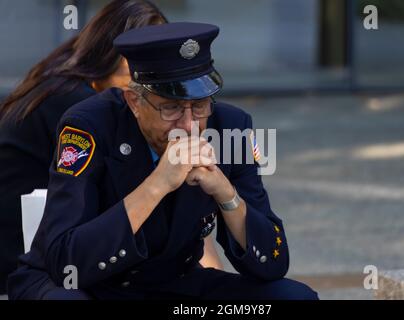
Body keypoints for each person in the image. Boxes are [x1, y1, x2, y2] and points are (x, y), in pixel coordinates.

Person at [8, 22, 318, 300]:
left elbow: (272, 263)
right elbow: (68, 264)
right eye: (170, 108)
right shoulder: (87, 125)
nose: (188, 125)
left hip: (171, 285)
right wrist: (157, 184)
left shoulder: (229, 127)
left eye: (198, 106)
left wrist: (225, 194)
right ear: (134, 101)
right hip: (86, 286)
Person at [0, 0, 220, 296]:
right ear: (105, 57)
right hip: (23, 256)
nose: (156, 78)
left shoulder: (63, 80)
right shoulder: (80, 110)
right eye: (142, 62)